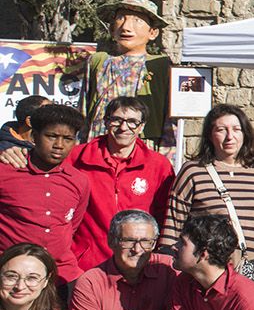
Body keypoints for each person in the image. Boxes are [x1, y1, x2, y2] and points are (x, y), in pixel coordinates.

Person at [48, 97, 172, 273]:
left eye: (132, 122)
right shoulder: (76, 157)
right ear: (106, 122)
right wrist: (16, 152)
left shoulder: (158, 165)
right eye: (117, 120)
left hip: (138, 264)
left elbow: (165, 217)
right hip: (86, 264)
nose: (123, 127)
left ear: (142, 126)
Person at [160, 104, 254, 269]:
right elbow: (174, 223)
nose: (230, 137)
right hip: (207, 269)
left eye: (236, 129)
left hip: (253, 268)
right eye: (221, 130)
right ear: (210, 135)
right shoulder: (193, 171)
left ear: (245, 134)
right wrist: (167, 264)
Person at [0, 104, 88, 286]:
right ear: (34, 136)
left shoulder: (79, 181)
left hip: (61, 274)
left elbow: (72, 225)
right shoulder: (6, 170)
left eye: (68, 139)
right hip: (13, 277)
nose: (59, 145)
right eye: (51, 136)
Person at [80, 0, 171, 141]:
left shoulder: (160, 65)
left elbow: (169, 117)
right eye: (121, 18)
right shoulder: (98, 61)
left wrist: (167, 154)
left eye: (137, 21)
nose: (126, 27)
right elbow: (83, 110)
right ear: (111, 28)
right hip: (99, 143)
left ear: (153, 32)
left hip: (142, 145)